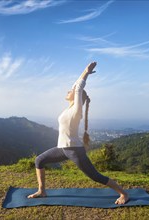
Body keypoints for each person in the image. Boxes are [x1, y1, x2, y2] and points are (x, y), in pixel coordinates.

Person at [27, 62, 129, 205]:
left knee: (95, 176)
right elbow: (77, 86)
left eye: (71, 91)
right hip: (63, 148)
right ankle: (42, 190)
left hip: (74, 150)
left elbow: (78, 88)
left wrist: (86, 72)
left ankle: (124, 194)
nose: (68, 91)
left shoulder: (76, 110)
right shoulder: (69, 109)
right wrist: (82, 74)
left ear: (76, 97)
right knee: (39, 160)